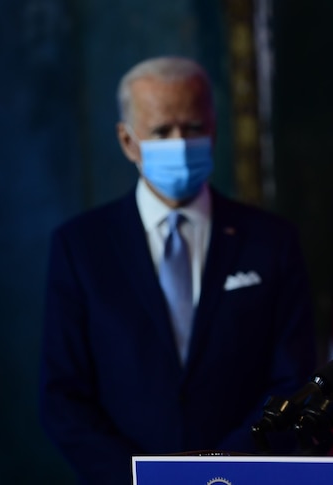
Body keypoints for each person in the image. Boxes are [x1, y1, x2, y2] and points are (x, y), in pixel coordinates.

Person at [39, 56, 316, 484]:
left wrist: (222, 474)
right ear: (128, 141)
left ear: (215, 130)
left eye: (192, 129)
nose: (179, 143)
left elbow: (291, 379)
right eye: (161, 132)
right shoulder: (80, 247)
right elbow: (64, 396)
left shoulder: (270, 241)